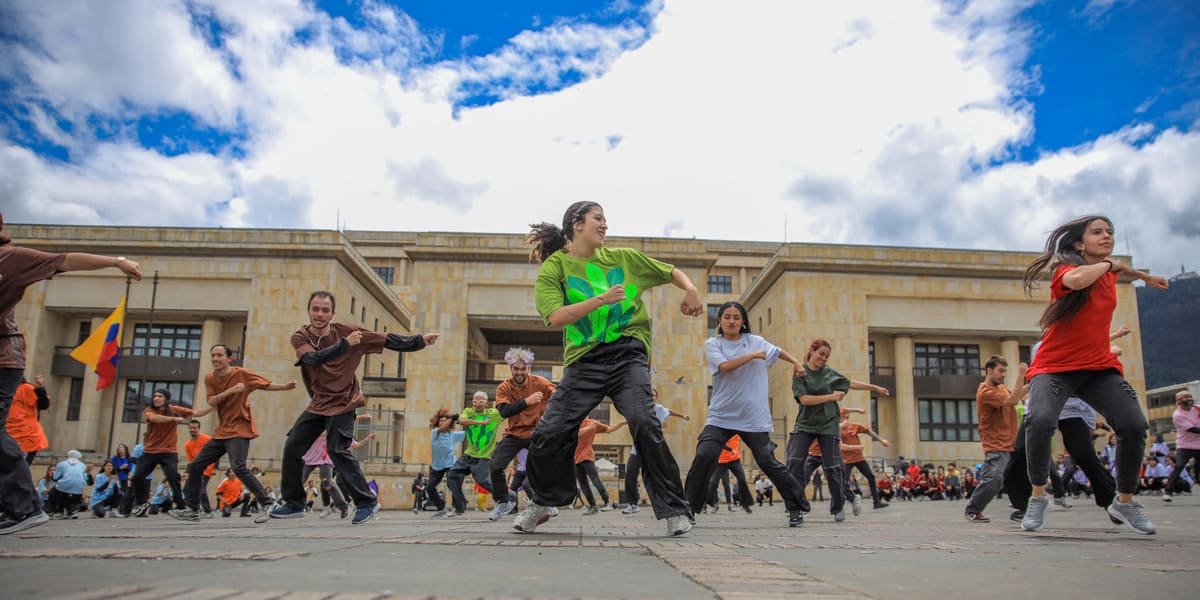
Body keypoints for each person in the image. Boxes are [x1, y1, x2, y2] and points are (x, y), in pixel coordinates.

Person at [522, 201, 703, 537]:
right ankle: (544, 501)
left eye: (605, 219)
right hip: (583, 360)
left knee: (645, 421)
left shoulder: (625, 259)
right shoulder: (555, 268)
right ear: (577, 223)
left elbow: (670, 272)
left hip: (627, 355)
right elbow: (557, 317)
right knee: (550, 431)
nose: (604, 225)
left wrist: (690, 289)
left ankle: (675, 511)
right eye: (598, 219)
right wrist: (601, 299)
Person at [1020, 215, 1167, 534]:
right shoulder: (1066, 271)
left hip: (1098, 367)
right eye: (1097, 232)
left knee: (1134, 425)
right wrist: (1112, 264)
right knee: (1041, 420)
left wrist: (1145, 276)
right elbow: (1078, 281)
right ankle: (1038, 495)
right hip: (1055, 367)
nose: (1107, 236)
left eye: (1110, 232)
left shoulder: (1109, 271)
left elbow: (1120, 269)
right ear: (1078, 243)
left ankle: (1124, 500)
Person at [0, 213, 142, 534]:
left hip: (4, 358)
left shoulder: (12, 258)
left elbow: (64, 260)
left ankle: (25, 508)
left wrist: (116, 261)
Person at [269, 290, 438, 525]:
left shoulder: (350, 332)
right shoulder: (301, 337)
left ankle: (367, 502)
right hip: (319, 403)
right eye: (315, 309)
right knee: (293, 446)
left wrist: (418, 341)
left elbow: (385, 339)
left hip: (344, 402)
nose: (319, 314)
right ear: (309, 311)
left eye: (325, 310)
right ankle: (294, 502)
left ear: (332, 313)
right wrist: (344, 345)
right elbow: (313, 359)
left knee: (337, 449)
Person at [685, 301, 808, 527]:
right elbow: (724, 367)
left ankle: (796, 507)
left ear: (743, 322)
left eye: (736, 317)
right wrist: (752, 356)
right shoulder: (713, 343)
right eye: (727, 317)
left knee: (767, 461)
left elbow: (778, 351)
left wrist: (796, 363)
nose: (731, 321)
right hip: (721, 415)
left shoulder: (755, 341)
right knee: (704, 455)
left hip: (753, 417)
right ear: (720, 320)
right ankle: (687, 510)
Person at [171, 344, 296, 524]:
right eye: (213, 355)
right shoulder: (210, 378)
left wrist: (284, 387)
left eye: (220, 355)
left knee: (238, 467)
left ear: (229, 358)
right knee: (196, 465)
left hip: (240, 428)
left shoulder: (241, 374)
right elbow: (212, 401)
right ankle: (192, 509)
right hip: (223, 431)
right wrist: (232, 390)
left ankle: (269, 503)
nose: (215, 359)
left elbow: (265, 385)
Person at [786, 338, 855, 522]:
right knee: (793, 462)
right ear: (811, 350)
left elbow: (849, 383)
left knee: (833, 468)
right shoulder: (800, 371)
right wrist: (831, 397)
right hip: (805, 424)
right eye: (821, 354)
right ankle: (795, 508)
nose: (823, 358)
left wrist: (875, 388)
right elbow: (804, 400)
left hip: (828, 425)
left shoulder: (828, 373)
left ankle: (838, 506)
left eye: (826, 356)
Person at [488, 348, 557, 521]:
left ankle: (547, 501)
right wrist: (527, 401)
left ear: (529, 368)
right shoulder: (505, 387)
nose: (519, 372)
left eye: (523, 369)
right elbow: (503, 411)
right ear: (510, 368)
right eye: (516, 369)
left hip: (537, 433)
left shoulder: (540, 382)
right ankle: (503, 501)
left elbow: (559, 396)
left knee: (542, 469)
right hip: (515, 433)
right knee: (495, 465)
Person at [964, 355, 1027, 523]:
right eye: (1000, 370)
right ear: (989, 370)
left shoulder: (1001, 388)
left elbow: (1018, 394)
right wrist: (1021, 375)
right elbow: (1013, 400)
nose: (1003, 374)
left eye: (1005, 371)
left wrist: (1036, 380)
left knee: (1017, 477)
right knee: (994, 479)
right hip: (996, 443)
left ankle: (1024, 510)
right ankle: (972, 509)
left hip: (1010, 442)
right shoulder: (986, 392)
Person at [131, 389, 211, 517]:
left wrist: (213, 406)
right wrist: (174, 419)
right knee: (137, 477)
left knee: (173, 477)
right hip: (150, 451)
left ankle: (181, 506)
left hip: (169, 452)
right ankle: (141, 503)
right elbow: (154, 418)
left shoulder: (174, 409)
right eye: (155, 396)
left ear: (166, 399)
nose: (156, 398)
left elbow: (196, 413)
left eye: (160, 396)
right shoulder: (149, 410)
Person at [621, 388, 689, 514]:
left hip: (653, 448)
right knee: (630, 473)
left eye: (653, 395)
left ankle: (669, 503)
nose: (651, 397)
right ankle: (632, 504)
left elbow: (669, 412)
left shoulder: (659, 408)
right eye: (649, 395)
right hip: (637, 448)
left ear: (656, 397)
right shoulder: (639, 408)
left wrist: (683, 416)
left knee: (658, 475)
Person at [447, 391, 501, 518]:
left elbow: (507, 412)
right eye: (475, 401)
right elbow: (462, 420)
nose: (477, 404)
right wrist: (481, 422)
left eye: (481, 402)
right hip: (468, 454)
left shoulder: (493, 414)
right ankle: (460, 506)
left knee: (483, 481)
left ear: (486, 403)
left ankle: (507, 496)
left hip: (483, 456)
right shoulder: (469, 411)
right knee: (452, 475)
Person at [575, 416, 626, 515]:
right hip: (575, 458)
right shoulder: (576, 423)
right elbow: (575, 435)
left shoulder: (592, 423)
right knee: (583, 484)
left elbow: (609, 429)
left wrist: (622, 423)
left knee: (595, 480)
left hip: (587, 456)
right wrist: (590, 428)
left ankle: (607, 503)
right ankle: (593, 506)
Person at [839, 414, 890, 510]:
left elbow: (868, 431)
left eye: (846, 417)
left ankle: (876, 502)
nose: (845, 419)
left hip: (859, 458)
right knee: (842, 482)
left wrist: (881, 440)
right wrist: (857, 447)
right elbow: (841, 446)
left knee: (871, 477)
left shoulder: (854, 426)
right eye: (842, 418)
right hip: (847, 460)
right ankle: (842, 504)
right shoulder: (838, 430)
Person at [426, 408, 463, 515]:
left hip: (450, 464)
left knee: (453, 484)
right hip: (436, 466)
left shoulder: (453, 434)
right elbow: (442, 428)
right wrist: (451, 418)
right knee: (430, 488)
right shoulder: (435, 433)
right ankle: (441, 506)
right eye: (441, 421)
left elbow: (467, 434)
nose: (443, 423)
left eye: (445, 421)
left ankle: (457, 507)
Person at [1165, 390, 1199, 501]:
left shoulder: (1197, 408)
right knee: (1179, 466)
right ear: (1179, 401)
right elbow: (1193, 429)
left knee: (1198, 469)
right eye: (1185, 397)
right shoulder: (1178, 415)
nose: (1189, 399)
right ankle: (1168, 492)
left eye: (1189, 396)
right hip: (1185, 446)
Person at [6, 375, 48, 465]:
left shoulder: (26, 388)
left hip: (27, 437)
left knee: (20, 469)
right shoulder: (5, 390)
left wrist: (40, 388)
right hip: (8, 437)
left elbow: (43, 405)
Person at [182, 420, 215, 518]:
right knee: (186, 489)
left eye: (195, 428)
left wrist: (214, 468)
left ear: (199, 429)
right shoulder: (187, 445)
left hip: (207, 468)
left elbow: (215, 452)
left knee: (201, 489)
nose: (193, 430)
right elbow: (191, 461)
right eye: (191, 428)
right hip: (196, 469)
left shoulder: (207, 439)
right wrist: (187, 472)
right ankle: (192, 509)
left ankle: (207, 511)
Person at [49, 450, 90, 517]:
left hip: (65, 485)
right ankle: (73, 511)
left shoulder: (62, 464)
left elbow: (55, 477)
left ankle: (58, 511)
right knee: (75, 497)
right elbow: (85, 478)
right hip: (79, 486)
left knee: (54, 493)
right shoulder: (82, 465)